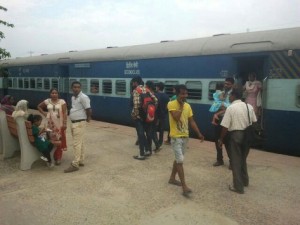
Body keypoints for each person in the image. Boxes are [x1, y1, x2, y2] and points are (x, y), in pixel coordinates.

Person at [218, 87, 257, 194]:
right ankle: (245, 181)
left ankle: (238, 187)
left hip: (236, 135)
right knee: (243, 159)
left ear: (234, 96)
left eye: (230, 95)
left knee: (235, 161)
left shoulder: (231, 108)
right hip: (247, 136)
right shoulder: (248, 106)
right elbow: (254, 121)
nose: (229, 97)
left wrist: (221, 139)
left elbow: (225, 126)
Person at [168, 84, 204, 196]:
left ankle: (172, 178)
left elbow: (191, 121)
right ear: (177, 94)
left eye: (186, 93)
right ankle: (184, 186)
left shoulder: (188, 106)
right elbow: (176, 118)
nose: (185, 95)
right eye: (182, 93)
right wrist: (181, 106)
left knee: (179, 159)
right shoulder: (171, 104)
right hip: (176, 137)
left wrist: (199, 133)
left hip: (185, 136)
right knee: (180, 161)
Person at [64, 81, 92, 173]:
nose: (76, 89)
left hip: (79, 123)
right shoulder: (73, 97)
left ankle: (75, 164)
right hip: (74, 122)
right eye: (74, 87)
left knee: (76, 144)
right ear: (72, 88)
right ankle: (81, 160)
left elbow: (88, 109)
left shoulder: (83, 97)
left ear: (80, 88)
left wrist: (88, 118)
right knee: (81, 142)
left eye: (78, 87)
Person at [37, 88, 68, 166]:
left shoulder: (62, 102)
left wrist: (64, 123)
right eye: (52, 93)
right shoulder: (47, 101)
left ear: (58, 94)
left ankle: (58, 158)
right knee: (51, 139)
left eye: (56, 93)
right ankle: (52, 155)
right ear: (50, 94)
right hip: (50, 124)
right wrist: (44, 114)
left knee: (59, 139)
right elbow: (39, 106)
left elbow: (64, 113)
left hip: (59, 124)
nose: (54, 94)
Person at [131, 76, 157, 160]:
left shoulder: (136, 91)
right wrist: (150, 111)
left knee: (141, 134)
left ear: (135, 82)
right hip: (148, 116)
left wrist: (135, 116)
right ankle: (148, 150)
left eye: (133, 82)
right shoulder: (147, 89)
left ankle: (141, 154)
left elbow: (136, 105)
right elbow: (156, 100)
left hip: (140, 117)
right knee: (148, 133)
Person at [212, 77, 234, 167]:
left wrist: (223, 107)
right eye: (225, 83)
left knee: (228, 141)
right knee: (217, 139)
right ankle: (219, 159)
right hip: (219, 118)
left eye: (228, 84)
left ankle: (232, 162)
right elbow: (216, 104)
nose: (226, 85)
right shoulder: (222, 92)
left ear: (232, 84)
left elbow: (231, 106)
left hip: (228, 119)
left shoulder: (233, 93)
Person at [155, 82, 170, 147]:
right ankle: (160, 142)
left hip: (156, 115)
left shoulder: (155, 95)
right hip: (163, 115)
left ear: (158, 87)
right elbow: (168, 106)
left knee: (153, 129)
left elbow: (154, 106)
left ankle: (156, 141)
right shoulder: (167, 96)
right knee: (161, 129)